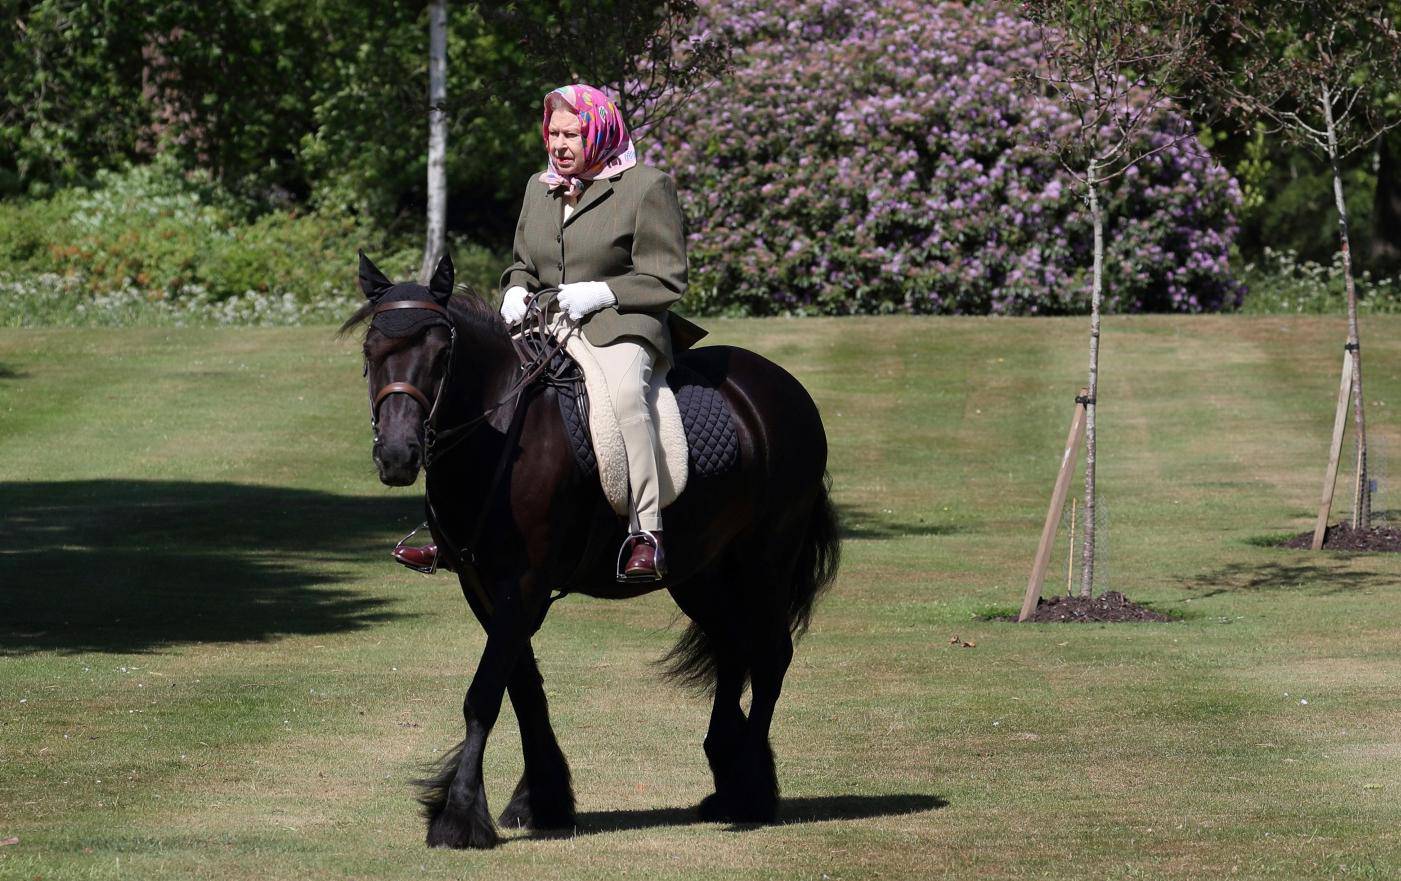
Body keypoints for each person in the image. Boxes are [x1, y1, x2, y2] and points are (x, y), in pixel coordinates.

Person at [394, 83, 703, 580]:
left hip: (619, 323)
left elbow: (667, 277)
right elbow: (523, 265)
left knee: (626, 396)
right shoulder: (539, 188)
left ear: (599, 131)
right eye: (553, 134)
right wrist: (514, 289)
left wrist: (602, 292)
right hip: (545, 324)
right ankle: (448, 531)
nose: (559, 145)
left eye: (572, 135)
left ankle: (646, 532)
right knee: (467, 388)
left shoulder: (647, 186)